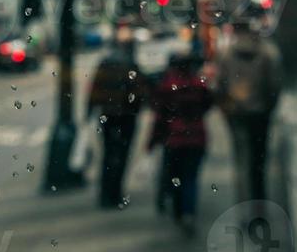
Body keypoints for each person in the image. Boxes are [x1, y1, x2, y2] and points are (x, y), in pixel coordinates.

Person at [214, 19, 282, 203]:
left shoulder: (227, 54)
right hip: (260, 113)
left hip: (237, 114)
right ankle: (259, 202)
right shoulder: (266, 52)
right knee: (259, 161)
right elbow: (274, 84)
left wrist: (227, 109)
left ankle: (244, 201)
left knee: (241, 159)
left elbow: (220, 85)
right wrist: (268, 107)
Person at [148, 52, 213, 236]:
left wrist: (153, 140)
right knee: (191, 177)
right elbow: (208, 104)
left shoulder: (167, 88)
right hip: (197, 138)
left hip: (174, 140)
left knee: (175, 175)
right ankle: (189, 212)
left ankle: (178, 211)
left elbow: (159, 117)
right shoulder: (198, 86)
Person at [87, 26, 145, 208]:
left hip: (107, 115)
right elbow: (139, 93)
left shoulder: (105, 63)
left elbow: (94, 91)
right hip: (126, 116)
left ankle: (105, 194)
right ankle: (116, 192)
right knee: (122, 154)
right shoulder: (131, 64)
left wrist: (89, 111)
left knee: (108, 153)